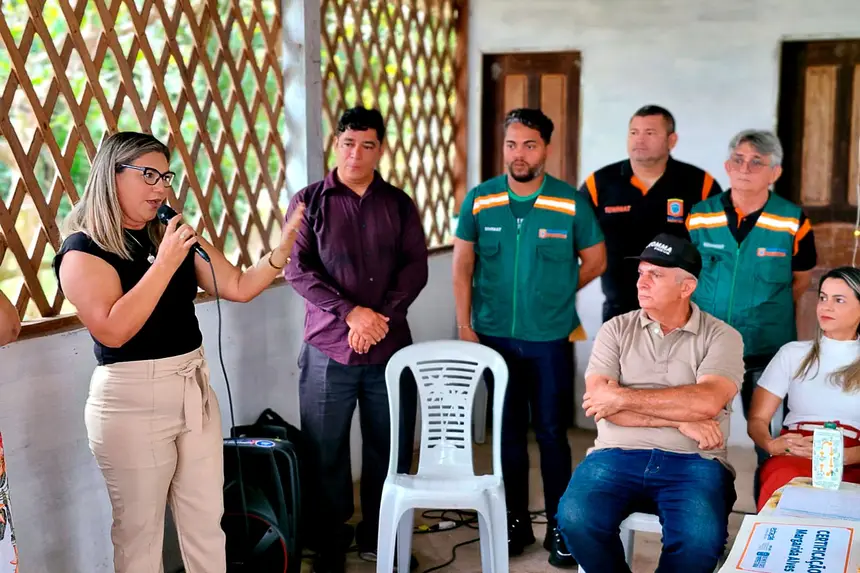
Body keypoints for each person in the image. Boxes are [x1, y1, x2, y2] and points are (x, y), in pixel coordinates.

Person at [52, 131, 305, 573]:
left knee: (207, 523)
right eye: (148, 175)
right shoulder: (83, 250)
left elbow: (238, 285)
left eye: (166, 177)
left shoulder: (169, 236)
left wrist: (280, 253)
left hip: (193, 388)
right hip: (132, 401)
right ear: (111, 176)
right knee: (140, 536)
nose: (161, 188)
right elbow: (114, 331)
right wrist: (166, 261)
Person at [453, 108, 606, 568]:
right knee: (506, 434)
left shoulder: (569, 202)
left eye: (529, 145)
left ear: (546, 149)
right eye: (511, 144)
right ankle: (514, 522)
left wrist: (557, 292)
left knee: (553, 433)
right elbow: (462, 266)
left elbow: (596, 260)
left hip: (549, 340)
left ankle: (561, 526)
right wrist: (465, 326)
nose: (519, 154)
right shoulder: (480, 200)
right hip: (494, 338)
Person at [284, 107, 428, 573]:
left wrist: (379, 319)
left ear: (380, 149)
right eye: (348, 144)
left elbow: (415, 267)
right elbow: (297, 269)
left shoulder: (399, 204)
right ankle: (329, 541)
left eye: (367, 145)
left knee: (389, 446)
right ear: (336, 144)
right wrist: (352, 313)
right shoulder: (309, 202)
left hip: (389, 348)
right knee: (324, 449)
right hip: (328, 348)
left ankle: (380, 536)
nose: (356, 154)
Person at [556, 233, 743, 573]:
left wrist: (621, 397)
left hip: (694, 461)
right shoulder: (615, 329)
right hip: (615, 455)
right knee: (575, 518)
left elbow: (707, 401)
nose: (641, 282)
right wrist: (681, 419)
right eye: (641, 273)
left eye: (655, 274)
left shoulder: (722, 336)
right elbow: (599, 403)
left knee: (700, 539)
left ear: (686, 287)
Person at [687, 129, 817, 502]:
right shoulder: (700, 216)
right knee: (700, 440)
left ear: (774, 172)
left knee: (771, 444)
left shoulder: (792, 220)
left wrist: (762, 309)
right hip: (707, 350)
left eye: (757, 162)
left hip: (767, 351)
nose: (745, 168)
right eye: (739, 160)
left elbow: (801, 278)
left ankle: (767, 516)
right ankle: (704, 515)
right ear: (727, 166)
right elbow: (686, 276)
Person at [578, 105, 722, 322]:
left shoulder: (700, 184)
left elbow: (719, 249)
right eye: (634, 132)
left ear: (672, 140)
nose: (640, 140)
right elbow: (573, 237)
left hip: (681, 311)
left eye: (650, 133)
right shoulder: (599, 183)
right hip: (620, 312)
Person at [748, 266, 860, 511]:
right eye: (823, 297)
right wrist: (770, 444)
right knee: (784, 481)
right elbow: (757, 419)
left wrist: (843, 456)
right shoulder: (792, 353)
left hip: (853, 457)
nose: (826, 307)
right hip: (797, 452)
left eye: (839, 300)